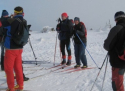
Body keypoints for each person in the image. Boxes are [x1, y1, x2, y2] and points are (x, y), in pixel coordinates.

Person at [3, 6, 25, 91]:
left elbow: (5, 27)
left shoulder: (12, 21)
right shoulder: (23, 20)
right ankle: (20, 85)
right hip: (19, 48)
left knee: (8, 69)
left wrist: (9, 18)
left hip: (11, 48)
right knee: (18, 68)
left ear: (15, 12)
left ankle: (11, 87)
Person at [104, 11, 125, 91]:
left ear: (116, 19)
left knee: (117, 85)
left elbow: (107, 46)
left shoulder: (116, 29)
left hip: (118, 61)